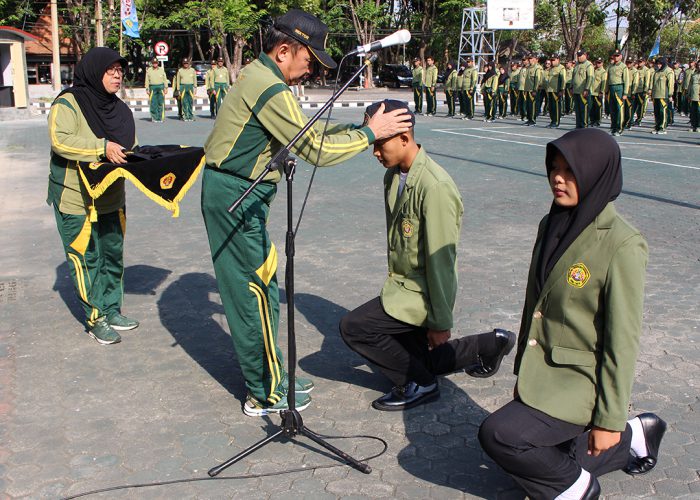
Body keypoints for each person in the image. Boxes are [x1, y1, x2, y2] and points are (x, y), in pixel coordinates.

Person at [201, 10, 413, 417]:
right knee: (253, 296)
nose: (311, 70)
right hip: (235, 197)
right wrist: (371, 133)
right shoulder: (270, 87)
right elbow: (315, 150)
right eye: (309, 60)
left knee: (261, 288)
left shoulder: (263, 77)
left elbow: (304, 133)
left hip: (239, 193)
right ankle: (263, 392)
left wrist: (357, 127)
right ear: (284, 50)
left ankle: (273, 373)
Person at [478, 128, 666, 499]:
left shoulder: (622, 243)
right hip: (544, 372)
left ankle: (577, 487)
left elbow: (622, 341)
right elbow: (534, 304)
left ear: (597, 174)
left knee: (500, 435)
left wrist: (609, 420)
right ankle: (635, 438)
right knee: (539, 457)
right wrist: (522, 372)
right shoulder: (551, 224)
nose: (558, 178)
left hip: (580, 381)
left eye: (571, 170)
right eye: (554, 168)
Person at [339, 99, 516, 411]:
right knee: (422, 360)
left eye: (380, 143)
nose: (375, 152)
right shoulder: (393, 175)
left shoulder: (434, 187)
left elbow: (441, 262)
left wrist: (440, 322)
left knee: (355, 327)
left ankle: (420, 385)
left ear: (405, 138)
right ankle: (489, 345)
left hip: (420, 294)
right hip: (401, 287)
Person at [47, 47, 139, 345]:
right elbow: (61, 141)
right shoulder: (69, 103)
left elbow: (129, 146)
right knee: (85, 259)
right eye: (110, 70)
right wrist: (101, 147)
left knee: (112, 256)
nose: (117, 75)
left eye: (120, 70)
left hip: (111, 196)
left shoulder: (120, 109)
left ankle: (112, 309)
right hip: (75, 197)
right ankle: (95, 316)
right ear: (93, 71)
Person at [607, 49, 629, 136]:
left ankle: (619, 128)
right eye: (614, 56)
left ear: (620, 56)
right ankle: (613, 127)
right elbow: (607, 79)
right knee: (612, 109)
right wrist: (606, 90)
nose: (616, 57)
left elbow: (626, 80)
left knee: (619, 109)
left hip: (619, 88)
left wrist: (625, 93)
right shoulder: (610, 66)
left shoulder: (623, 67)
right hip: (611, 88)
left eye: (617, 56)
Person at [650, 57, 674, 135]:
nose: (658, 65)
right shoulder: (656, 71)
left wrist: (670, 94)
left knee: (662, 112)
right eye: (657, 64)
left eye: (660, 64)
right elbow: (653, 83)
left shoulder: (668, 71)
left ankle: (662, 127)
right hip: (656, 95)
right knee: (656, 112)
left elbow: (670, 84)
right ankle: (657, 126)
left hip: (663, 95)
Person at [572, 49, 594, 129]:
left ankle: (584, 126)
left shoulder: (589, 65)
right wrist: (571, 87)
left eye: (580, 55)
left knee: (584, 110)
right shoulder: (577, 64)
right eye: (578, 55)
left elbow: (590, 78)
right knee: (577, 110)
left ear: (585, 55)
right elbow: (573, 77)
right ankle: (578, 125)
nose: (579, 57)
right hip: (576, 91)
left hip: (583, 91)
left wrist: (587, 89)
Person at [144, 57, 168, 122]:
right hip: (152, 87)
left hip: (161, 87)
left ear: (158, 63)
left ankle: (160, 117)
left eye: (156, 63)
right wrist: (147, 88)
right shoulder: (149, 70)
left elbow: (165, 79)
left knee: (161, 102)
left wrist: (166, 87)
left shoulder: (161, 69)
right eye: (153, 63)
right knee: (153, 103)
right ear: (152, 63)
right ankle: (154, 117)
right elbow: (147, 80)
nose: (155, 64)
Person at [545, 54, 565, 128]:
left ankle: (556, 122)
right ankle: (552, 121)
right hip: (550, 90)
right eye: (551, 60)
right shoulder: (551, 68)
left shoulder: (561, 68)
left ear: (558, 59)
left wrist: (562, 89)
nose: (552, 62)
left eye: (553, 60)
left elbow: (563, 80)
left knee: (556, 107)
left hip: (556, 90)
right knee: (551, 107)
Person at [524, 53, 543, 126]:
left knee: (532, 106)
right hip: (528, 89)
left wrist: (535, 90)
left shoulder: (537, 68)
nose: (530, 60)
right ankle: (529, 119)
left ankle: (533, 120)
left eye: (531, 58)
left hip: (533, 90)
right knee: (528, 105)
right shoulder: (529, 67)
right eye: (529, 59)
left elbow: (537, 80)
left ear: (535, 59)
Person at [590, 57, 607, 127]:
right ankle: (592, 120)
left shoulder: (603, 72)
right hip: (592, 92)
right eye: (597, 62)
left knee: (598, 108)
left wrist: (601, 91)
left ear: (602, 63)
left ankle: (597, 121)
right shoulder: (594, 70)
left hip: (598, 92)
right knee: (591, 107)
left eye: (599, 63)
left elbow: (603, 83)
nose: (598, 64)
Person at [623, 58, 638, 130]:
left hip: (629, 93)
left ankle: (628, 123)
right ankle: (622, 123)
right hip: (623, 93)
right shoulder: (624, 69)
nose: (628, 64)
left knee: (629, 110)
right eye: (627, 62)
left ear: (633, 63)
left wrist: (633, 93)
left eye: (630, 63)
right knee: (623, 109)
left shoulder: (635, 71)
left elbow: (635, 83)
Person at [688, 62, 699, 133]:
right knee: (693, 111)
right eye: (699, 65)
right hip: (693, 95)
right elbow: (690, 84)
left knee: (699, 111)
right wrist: (689, 94)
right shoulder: (694, 73)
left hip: (698, 96)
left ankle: (698, 126)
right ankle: (694, 125)